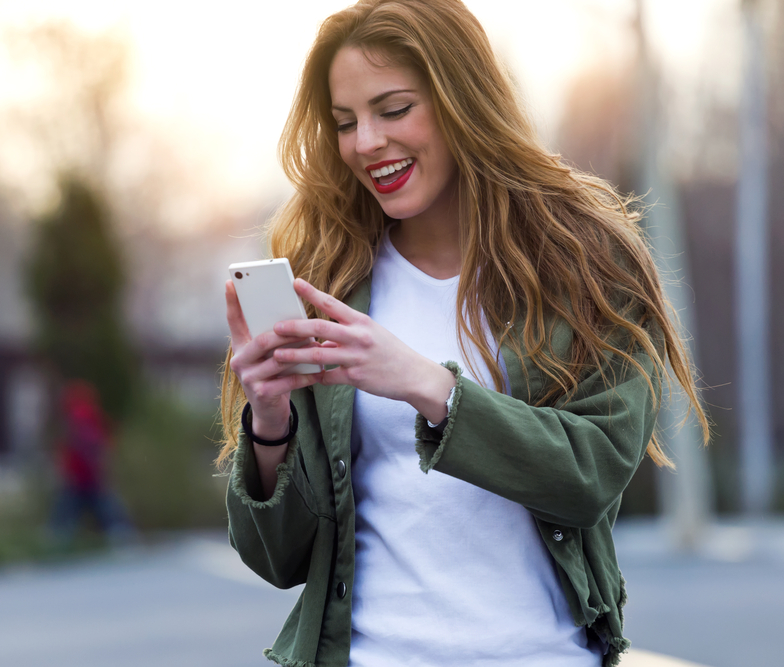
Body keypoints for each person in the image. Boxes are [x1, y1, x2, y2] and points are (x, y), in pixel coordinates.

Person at [219, 1, 708, 667]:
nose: (365, 142)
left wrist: (430, 387)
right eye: (345, 122)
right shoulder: (329, 283)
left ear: (461, 99)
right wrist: (270, 420)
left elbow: (592, 473)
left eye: (393, 110)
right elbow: (278, 557)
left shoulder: (587, 266)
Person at [49, 380, 134, 546]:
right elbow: (102, 442)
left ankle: (57, 538)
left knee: (72, 508)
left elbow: (85, 443)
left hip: (81, 474)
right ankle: (122, 535)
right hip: (87, 474)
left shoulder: (79, 415)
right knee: (104, 507)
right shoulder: (91, 415)